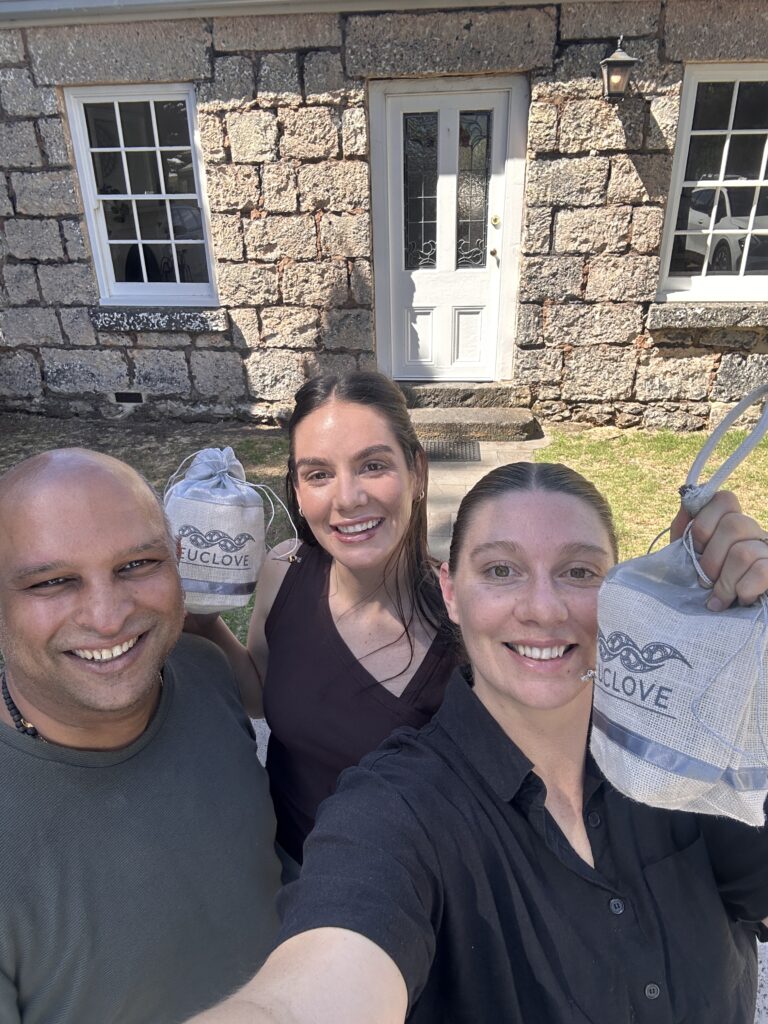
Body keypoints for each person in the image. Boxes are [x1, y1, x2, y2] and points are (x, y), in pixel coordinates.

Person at [191, 462, 768, 1024]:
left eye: (579, 572)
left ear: (621, 589)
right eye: (499, 571)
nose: (542, 609)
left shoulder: (684, 754)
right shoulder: (397, 812)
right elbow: (320, 981)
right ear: (451, 592)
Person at [0, 448, 281, 1024]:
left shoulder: (204, 673)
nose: (107, 617)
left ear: (179, 561)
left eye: (137, 565)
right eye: (53, 582)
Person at [188, 371, 457, 871]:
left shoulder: (465, 623)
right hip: (285, 868)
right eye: (318, 474)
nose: (347, 498)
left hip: (400, 902)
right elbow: (262, 695)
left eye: (373, 465)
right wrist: (201, 622)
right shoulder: (283, 569)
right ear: (295, 487)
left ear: (417, 471)